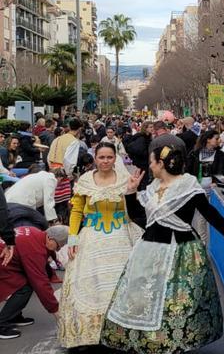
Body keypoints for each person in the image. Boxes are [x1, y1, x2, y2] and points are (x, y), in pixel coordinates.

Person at [100, 147, 224, 353]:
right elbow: (139, 218)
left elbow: (209, 213)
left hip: (182, 251)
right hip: (148, 250)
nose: (150, 166)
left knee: (176, 302)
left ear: (161, 164)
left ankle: (173, 343)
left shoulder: (188, 185)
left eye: (152, 162)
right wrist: (131, 192)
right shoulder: (153, 187)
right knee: (143, 297)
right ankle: (148, 341)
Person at [57, 142, 138, 348]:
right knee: (91, 284)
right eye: (101, 157)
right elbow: (76, 211)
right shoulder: (85, 180)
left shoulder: (125, 179)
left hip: (121, 237)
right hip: (91, 238)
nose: (105, 161)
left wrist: (132, 192)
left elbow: (136, 210)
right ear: (95, 158)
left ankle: (121, 332)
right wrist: (72, 239)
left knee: (120, 285)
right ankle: (91, 335)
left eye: (109, 157)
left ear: (115, 158)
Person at [0, 225, 68, 340]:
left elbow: (48, 253)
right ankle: (1, 324)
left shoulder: (36, 233)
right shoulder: (34, 249)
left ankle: (14, 316)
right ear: (50, 238)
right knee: (25, 287)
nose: (58, 250)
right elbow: (40, 283)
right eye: (58, 246)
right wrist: (56, 310)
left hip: (6, 254)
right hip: (4, 259)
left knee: (26, 283)